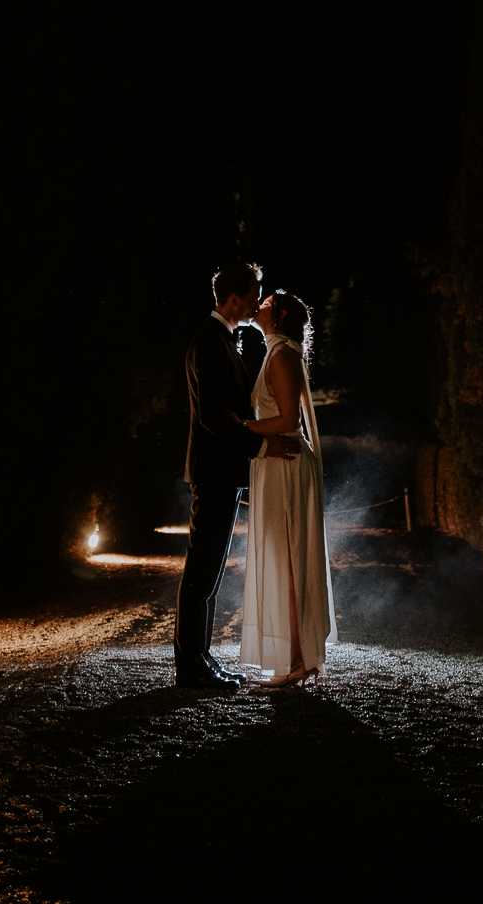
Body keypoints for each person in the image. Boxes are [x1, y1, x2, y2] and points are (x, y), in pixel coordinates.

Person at [174, 260, 297, 691]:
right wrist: (263, 446)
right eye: (250, 296)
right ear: (231, 299)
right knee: (202, 571)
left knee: (208, 570)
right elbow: (214, 418)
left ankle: (200, 660)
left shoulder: (222, 339)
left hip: (221, 471)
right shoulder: (209, 342)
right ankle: (191, 667)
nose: (253, 304)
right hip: (214, 472)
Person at [235, 289, 336, 686]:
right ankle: (298, 658)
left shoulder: (280, 355)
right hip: (280, 462)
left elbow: (288, 419)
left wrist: (239, 429)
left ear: (275, 316)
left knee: (289, 558)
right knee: (285, 556)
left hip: (286, 463)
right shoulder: (279, 351)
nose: (257, 303)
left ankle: (297, 661)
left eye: (265, 302)